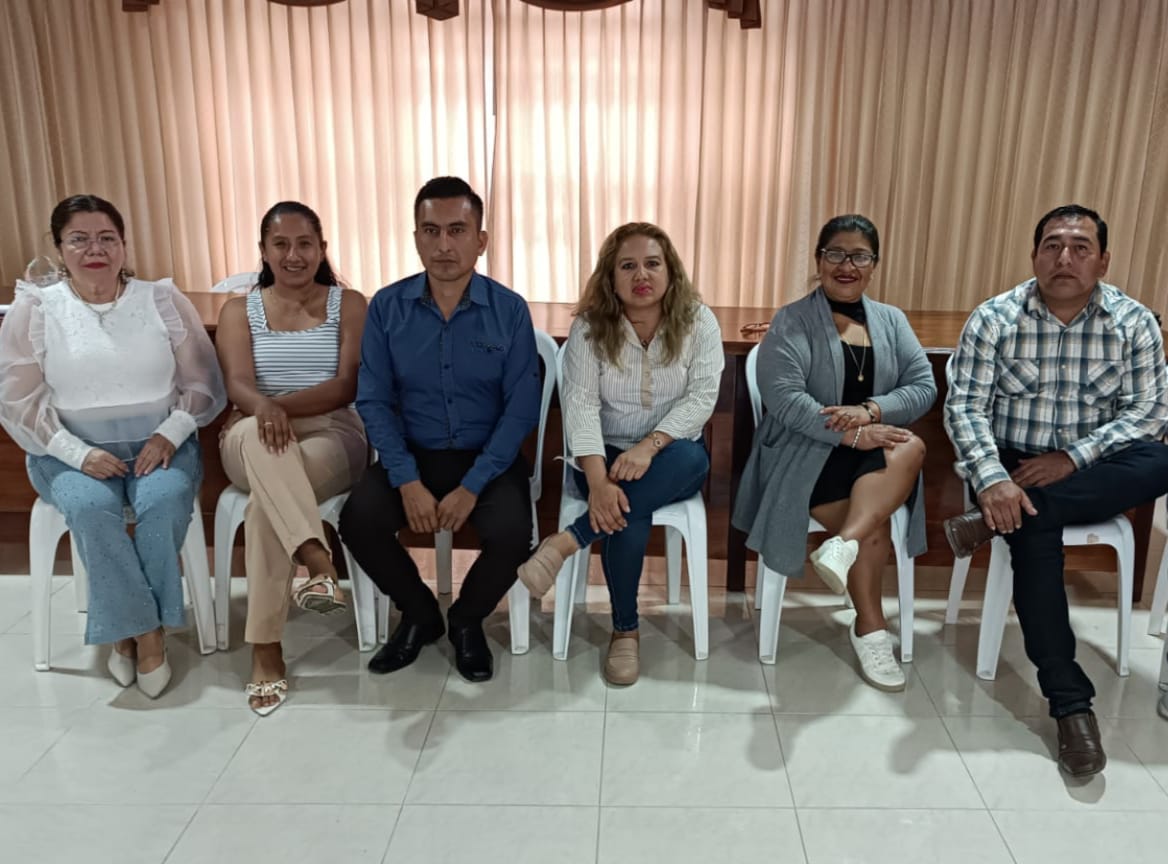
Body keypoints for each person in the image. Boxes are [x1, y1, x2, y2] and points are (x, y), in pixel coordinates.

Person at [944, 204, 1168, 777]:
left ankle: (997, 520)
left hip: (1094, 466)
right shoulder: (995, 317)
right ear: (1034, 255)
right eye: (1052, 246)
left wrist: (1072, 458)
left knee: (1161, 458)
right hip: (1012, 462)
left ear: (1103, 261)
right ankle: (1071, 705)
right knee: (1034, 530)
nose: (1064, 258)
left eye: (1080, 247)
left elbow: (1149, 414)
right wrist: (993, 479)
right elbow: (965, 407)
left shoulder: (1134, 322)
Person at [0, 194, 226, 698]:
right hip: (66, 453)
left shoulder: (162, 299)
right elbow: (18, 403)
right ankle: (147, 632)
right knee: (91, 509)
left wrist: (171, 432)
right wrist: (77, 453)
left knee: (163, 502)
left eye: (107, 238)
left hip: (160, 445)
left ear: (124, 244)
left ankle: (126, 631)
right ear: (59, 247)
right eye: (79, 239)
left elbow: (202, 382)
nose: (95, 249)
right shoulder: (36, 308)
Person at [339, 177, 540, 683]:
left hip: (487, 459)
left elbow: (520, 410)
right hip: (413, 455)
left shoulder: (510, 311)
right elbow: (373, 400)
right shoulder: (387, 308)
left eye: (457, 230)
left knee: (514, 533)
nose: (444, 244)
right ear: (416, 238)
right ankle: (420, 613)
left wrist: (473, 486)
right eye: (431, 231)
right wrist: (406, 480)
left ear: (481, 240)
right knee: (358, 521)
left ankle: (467, 620)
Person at [732, 214, 934, 691]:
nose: (847, 266)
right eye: (836, 254)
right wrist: (852, 436)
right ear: (819, 259)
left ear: (874, 264)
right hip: (805, 455)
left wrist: (871, 412)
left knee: (913, 445)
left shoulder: (891, 320)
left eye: (859, 256)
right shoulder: (791, 320)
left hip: (875, 452)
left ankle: (842, 544)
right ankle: (870, 629)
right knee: (875, 523)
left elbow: (924, 386)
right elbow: (786, 401)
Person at [515, 222, 723, 685]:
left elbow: (701, 398)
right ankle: (625, 630)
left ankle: (566, 543)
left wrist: (649, 448)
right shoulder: (589, 328)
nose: (641, 275)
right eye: (627, 266)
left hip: (671, 453)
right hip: (601, 454)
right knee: (630, 512)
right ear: (610, 277)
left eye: (652, 264)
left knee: (691, 460)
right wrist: (597, 482)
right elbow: (581, 407)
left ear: (671, 271)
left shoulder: (699, 321)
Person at [215, 201, 368, 715]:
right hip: (250, 433)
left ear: (322, 249)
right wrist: (264, 409)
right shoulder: (239, 310)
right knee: (261, 442)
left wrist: (277, 406)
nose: (293, 255)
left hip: (331, 431)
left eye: (305, 244)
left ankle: (265, 650)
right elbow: (238, 384)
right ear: (263, 251)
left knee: (265, 507)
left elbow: (346, 385)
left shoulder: (350, 304)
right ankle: (317, 556)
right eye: (280, 244)